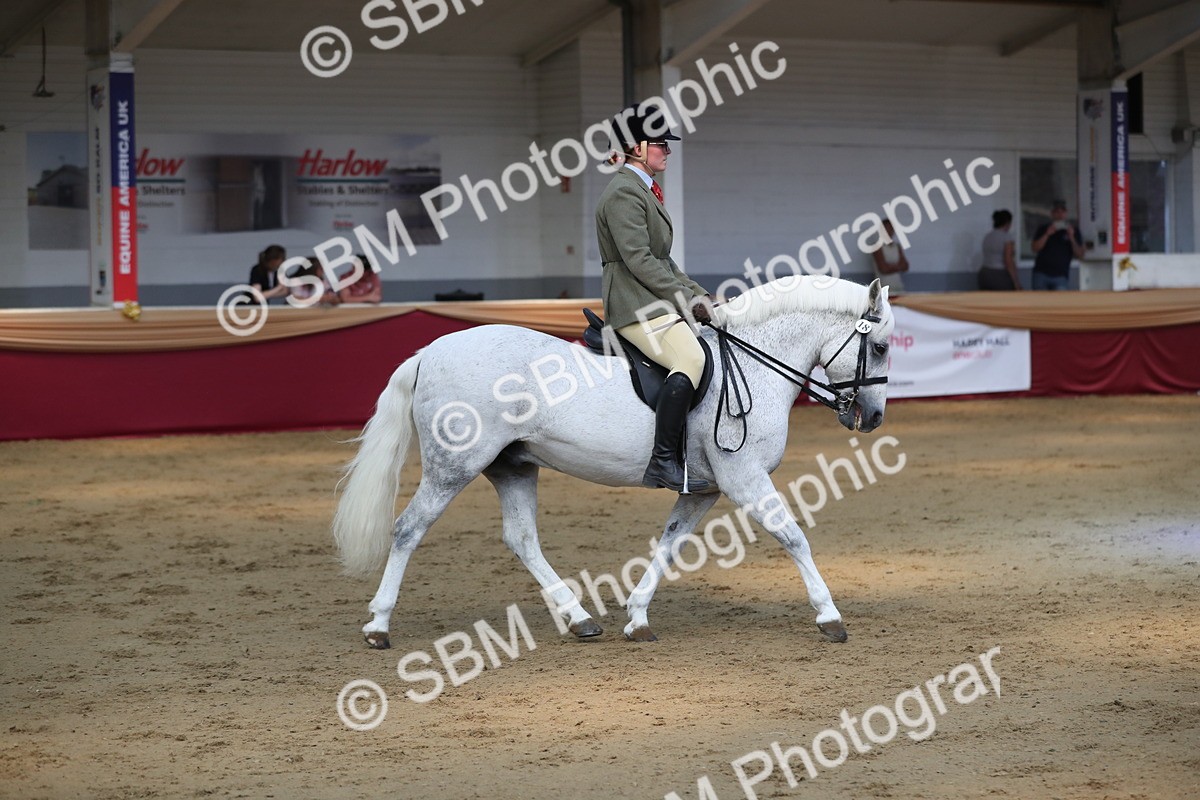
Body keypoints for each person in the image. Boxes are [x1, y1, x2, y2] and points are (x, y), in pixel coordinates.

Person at [595, 103, 713, 494]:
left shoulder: (643, 191)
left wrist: (698, 294)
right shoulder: (623, 194)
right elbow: (640, 260)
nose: (667, 150)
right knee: (691, 358)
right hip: (632, 302)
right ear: (635, 147)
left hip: (651, 299)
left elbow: (663, 259)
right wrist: (683, 299)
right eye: (660, 144)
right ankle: (663, 461)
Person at [1030, 200, 1084, 290]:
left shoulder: (1073, 230)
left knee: (1059, 302)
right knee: (1039, 302)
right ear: (1052, 214)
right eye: (1057, 212)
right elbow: (1034, 248)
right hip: (1041, 273)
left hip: (1060, 275)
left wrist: (1072, 238)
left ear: (1066, 214)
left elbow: (1079, 254)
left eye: (1062, 212)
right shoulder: (1043, 228)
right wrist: (1047, 234)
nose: (1060, 215)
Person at [978, 210, 1021, 290]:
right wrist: (1016, 282)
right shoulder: (1007, 237)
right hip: (999, 275)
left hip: (984, 273)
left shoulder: (988, 236)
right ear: (1008, 223)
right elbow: (1008, 261)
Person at [870, 219, 909, 293]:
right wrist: (898, 266)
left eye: (891, 228)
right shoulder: (877, 247)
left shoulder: (897, 246)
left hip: (898, 287)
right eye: (886, 229)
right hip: (883, 288)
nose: (889, 231)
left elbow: (905, 266)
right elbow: (883, 269)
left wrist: (890, 266)